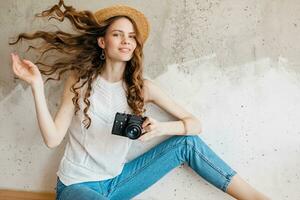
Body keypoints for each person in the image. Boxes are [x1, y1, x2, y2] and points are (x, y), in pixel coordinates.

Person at [10, 0, 270, 199]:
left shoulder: (143, 88)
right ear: (102, 41)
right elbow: (53, 138)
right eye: (117, 34)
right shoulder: (79, 81)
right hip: (77, 185)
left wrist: (160, 128)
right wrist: (35, 86)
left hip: (117, 181)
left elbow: (195, 124)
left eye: (131, 36)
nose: (126, 41)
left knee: (188, 143)